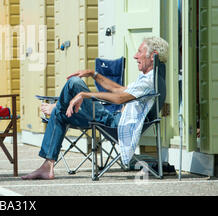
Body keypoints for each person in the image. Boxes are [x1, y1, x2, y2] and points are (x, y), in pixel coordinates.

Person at [22, 36, 169, 180]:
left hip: (115, 124)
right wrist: (94, 74)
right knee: (61, 114)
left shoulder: (149, 81)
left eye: (139, 52)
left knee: (73, 83)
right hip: (114, 120)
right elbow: (120, 90)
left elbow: (120, 98)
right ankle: (47, 166)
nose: (135, 56)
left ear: (153, 56)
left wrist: (85, 94)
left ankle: (57, 109)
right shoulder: (150, 77)